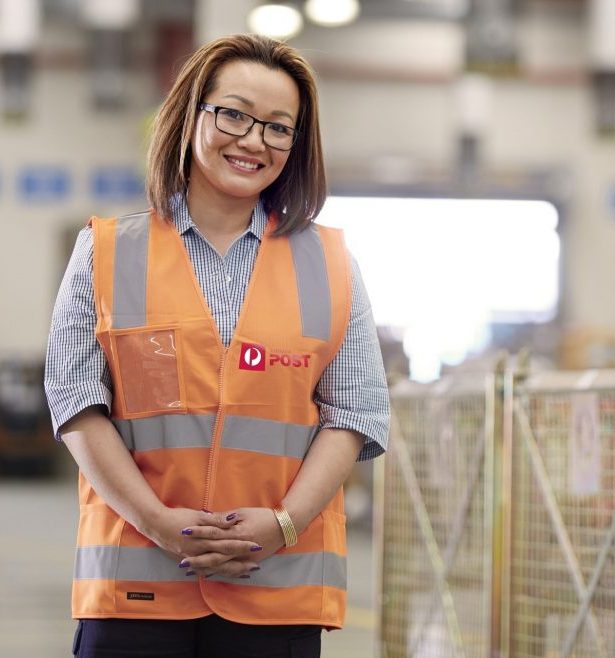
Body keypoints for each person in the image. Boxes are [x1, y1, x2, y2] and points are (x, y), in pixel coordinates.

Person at [44, 33, 389, 658]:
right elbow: (74, 402)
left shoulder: (332, 265)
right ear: (190, 114)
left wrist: (282, 527)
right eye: (233, 114)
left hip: (275, 588)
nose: (254, 140)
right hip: (135, 586)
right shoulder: (105, 250)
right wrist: (156, 521)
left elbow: (356, 414)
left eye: (279, 128)